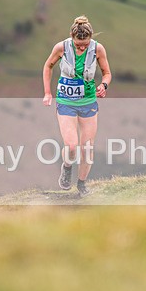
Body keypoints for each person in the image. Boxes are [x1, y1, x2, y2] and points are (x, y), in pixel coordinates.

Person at [42, 15, 112, 196]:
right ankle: (66, 167)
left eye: (85, 44)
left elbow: (106, 73)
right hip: (65, 101)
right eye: (78, 44)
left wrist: (104, 86)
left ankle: (82, 184)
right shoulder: (61, 47)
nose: (82, 47)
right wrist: (48, 92)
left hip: (88, 101)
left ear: (91, 39)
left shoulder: (98, 49)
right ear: (72, 37)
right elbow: (48, 66)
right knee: (72, 146)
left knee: (87, 148)